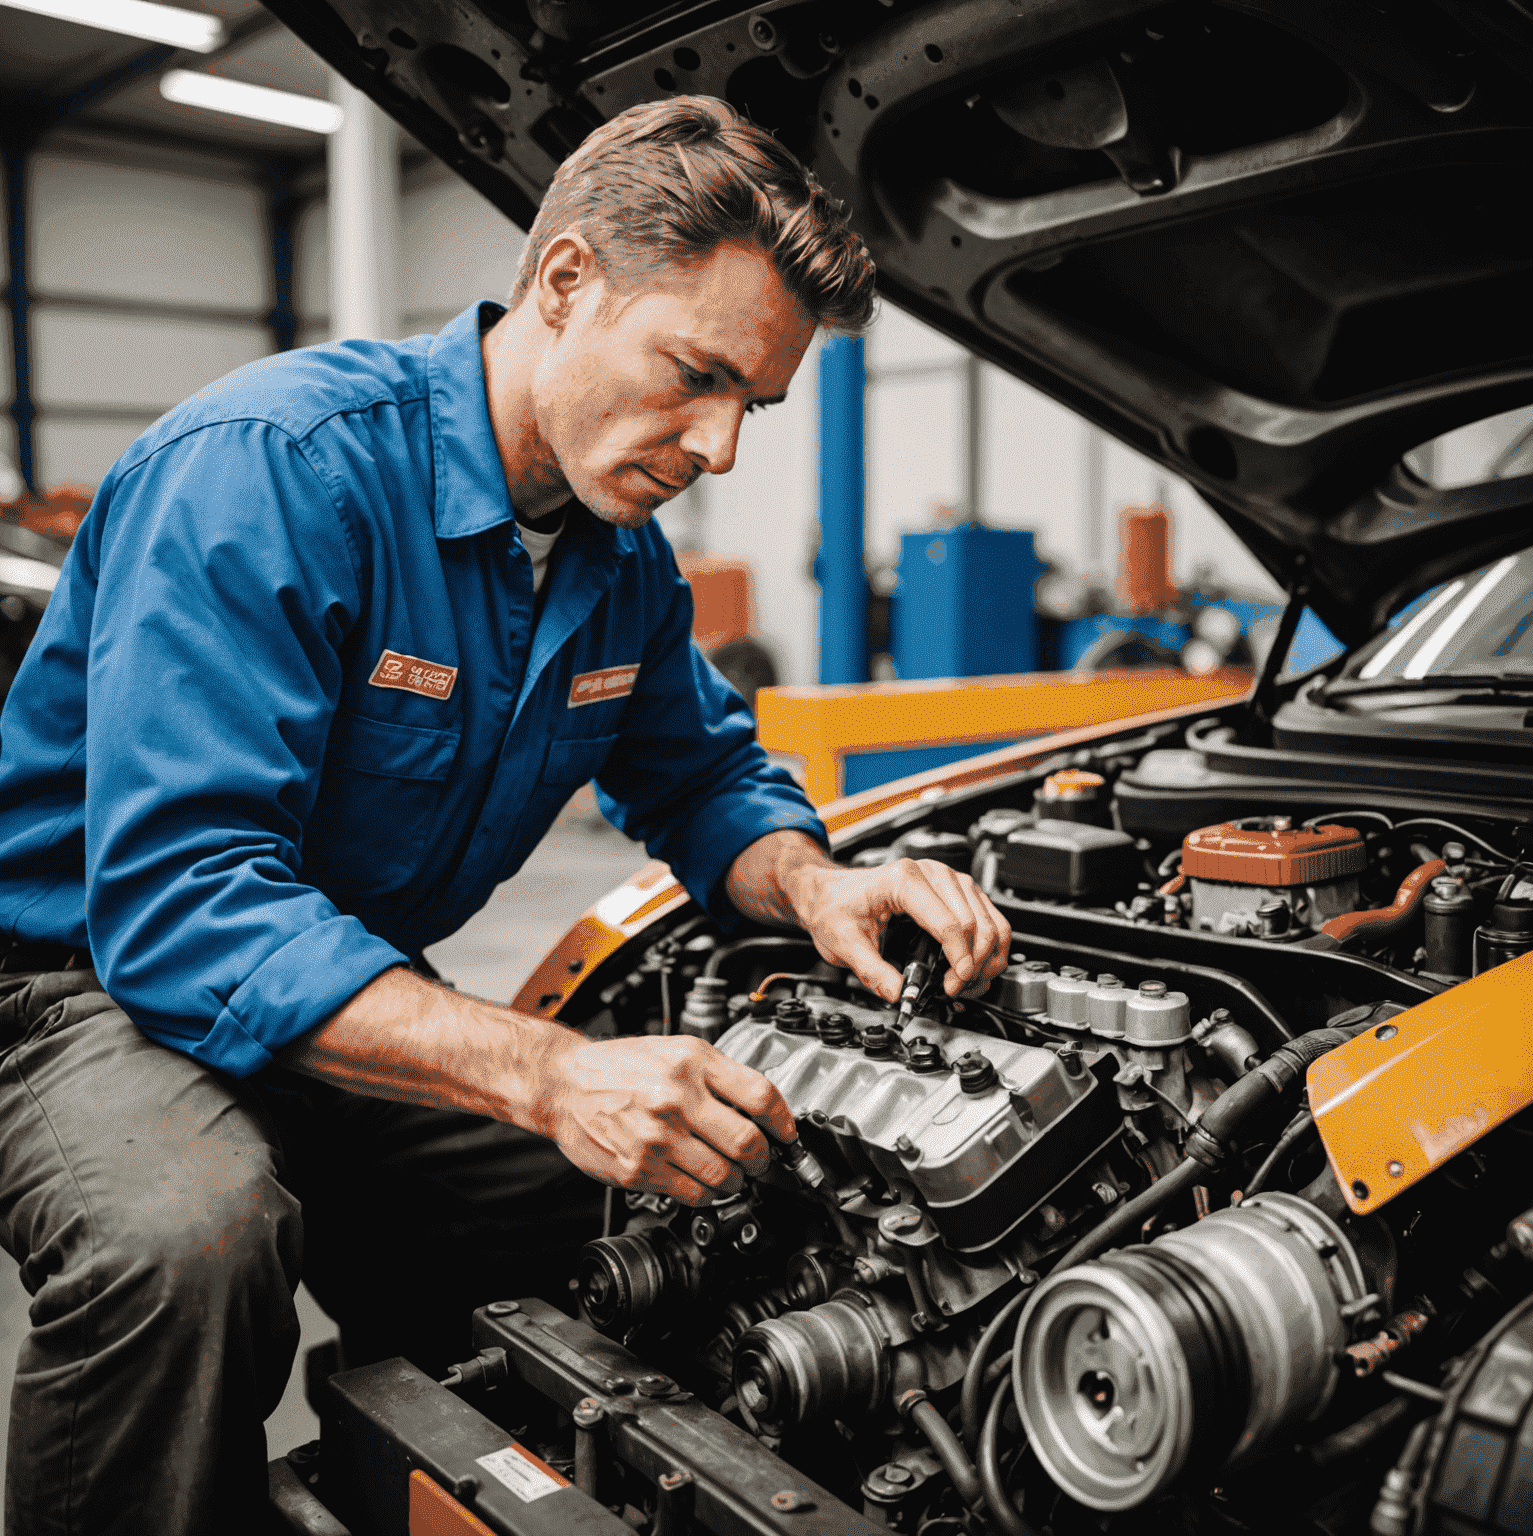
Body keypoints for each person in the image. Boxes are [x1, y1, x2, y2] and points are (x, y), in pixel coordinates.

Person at [0, 96, 1013, 1532]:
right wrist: (545, 1070)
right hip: (76, 988)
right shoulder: (275, 471)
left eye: (755, 406)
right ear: (565, 284)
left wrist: (814, 887)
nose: (719, 447)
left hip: (321, 980)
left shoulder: (620, 566)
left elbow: (705, 774)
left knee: (642, 1209)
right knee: (192, 1237)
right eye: (697, 373)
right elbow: (180, 903)